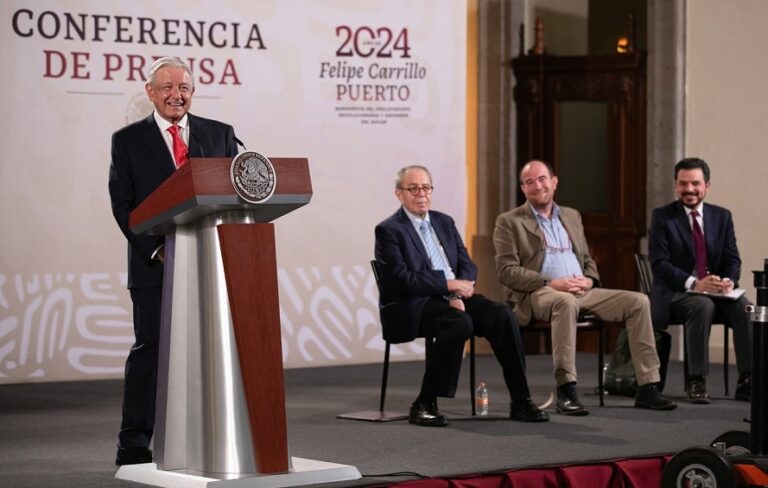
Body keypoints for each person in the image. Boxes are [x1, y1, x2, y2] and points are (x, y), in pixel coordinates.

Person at [108, 57, 239, 465]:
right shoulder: (128, 140)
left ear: (192, 92)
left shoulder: (219, 134)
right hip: (155, 265)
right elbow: (123, 205)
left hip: (211, 263)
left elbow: (235, 191)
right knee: (151, 351)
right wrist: (157, 247)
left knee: (215, 349)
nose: (175, 95)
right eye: (166, 87)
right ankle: (133, 442)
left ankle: (212, 435)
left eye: (182, 87)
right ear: (150, 92)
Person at [493, 160, 676, 415]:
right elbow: (507, 271)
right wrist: (550, 281)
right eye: (530, 182)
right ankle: (567, 390)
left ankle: (647, 386)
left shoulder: (571, 215)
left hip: (582, 290)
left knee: (638, 302)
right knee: (564, 302)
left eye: (542, 179)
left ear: (554, 182)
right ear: (522, 188)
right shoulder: (509, 221)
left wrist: (589, 279)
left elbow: (588, 259)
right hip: (539, 293)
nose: (538, 186)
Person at [374, 165, 549, 427]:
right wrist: (448, 287)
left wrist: (463, 285)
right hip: (412, 305)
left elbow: (466, 262)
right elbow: (401, 279)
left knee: (501, 315)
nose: (421, 193)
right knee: (458, 323)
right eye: (413, 188)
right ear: (399, 194)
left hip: (455, 295)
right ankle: (424, 402)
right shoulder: (389, 230)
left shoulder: (444, 222)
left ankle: (521, 400)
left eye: (426, 187)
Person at [649, 157, 751, 404]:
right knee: (701, 305)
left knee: (745, 307)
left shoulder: (722, 217)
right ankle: (696, 380)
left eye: (695, 183)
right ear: (676, 185)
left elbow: (732, 259)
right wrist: (694, 284)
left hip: (715, 293)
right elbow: (659, 264)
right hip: (676, 295)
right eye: (683, 184)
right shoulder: (663, 217)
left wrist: (728, 281)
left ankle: (748, 380)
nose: (689, 189)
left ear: (707, 185)